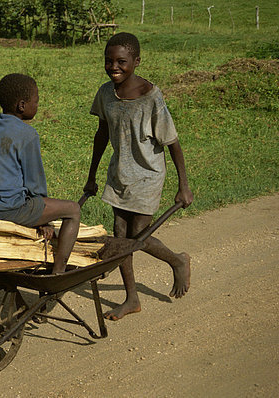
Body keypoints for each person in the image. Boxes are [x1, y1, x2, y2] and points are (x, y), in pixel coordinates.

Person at [83, 32, 194, 320]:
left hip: (147, 175)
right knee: (121, 236)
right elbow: (102, 133)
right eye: (109, 61)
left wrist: (184, 185)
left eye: (121, 61)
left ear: (136, 61)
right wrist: (92, 175)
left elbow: (173, 143)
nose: (114, 67)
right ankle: (131, 298)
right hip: (120, 173)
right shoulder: (105, 93)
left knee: (137, 236)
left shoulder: (150, 97)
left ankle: (177, 260)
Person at [0, 73, 81, 274]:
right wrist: (44, 220)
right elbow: (35, 185)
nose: (38, 105)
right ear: (22, 105)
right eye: (36, 101)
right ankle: (59, 272)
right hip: (8, 209)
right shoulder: (28, 134)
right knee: (73, 210)